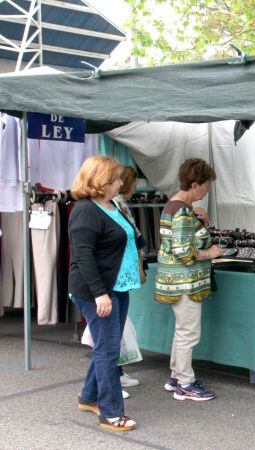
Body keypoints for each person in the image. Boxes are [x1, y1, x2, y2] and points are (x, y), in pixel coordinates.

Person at [69, 156, 140, 431]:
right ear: (103, 181)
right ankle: (110, 413)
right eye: (117, 178)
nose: (122, 183)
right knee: (109, 351)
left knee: (106, 347)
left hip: (118, 286)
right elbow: (83, 256)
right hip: (97, 291)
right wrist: (100, 294)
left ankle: (88, 396)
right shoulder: (86, 210)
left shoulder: (110, 204)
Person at [155, 158, 224, 401]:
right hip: (186, 282)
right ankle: (185, 383)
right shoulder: (182, 212)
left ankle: (176, 377)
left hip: (175, 281)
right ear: (195, 185)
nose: (207, 190)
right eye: (206, 185)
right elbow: (185, 252)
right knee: (189, 333)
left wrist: (203, 222)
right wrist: (211, 253)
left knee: (182, 330)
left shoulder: (172, 207)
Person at [111, 166, 146, 395]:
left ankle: (117, 374)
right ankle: (111, 379)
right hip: (113, 276)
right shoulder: (113, 204)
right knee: (111, 332)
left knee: (118, 328)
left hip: (120, 274)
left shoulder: (118, 203)